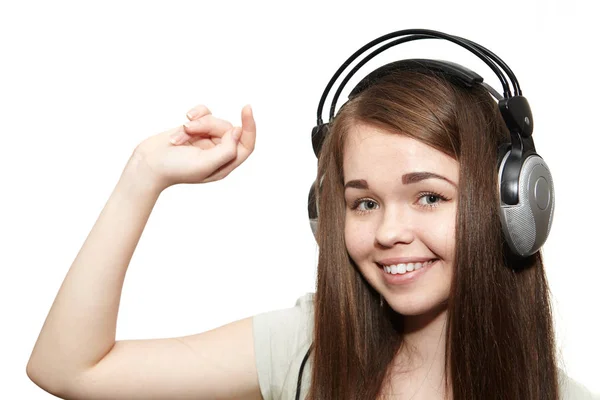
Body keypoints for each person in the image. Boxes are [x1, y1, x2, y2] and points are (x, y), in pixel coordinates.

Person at [26, 30, 597, 399]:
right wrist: (142, 175)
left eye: (429, 196)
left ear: (512, 207)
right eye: (363, 203)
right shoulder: (305, 349)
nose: (390, 233)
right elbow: (69, 369)